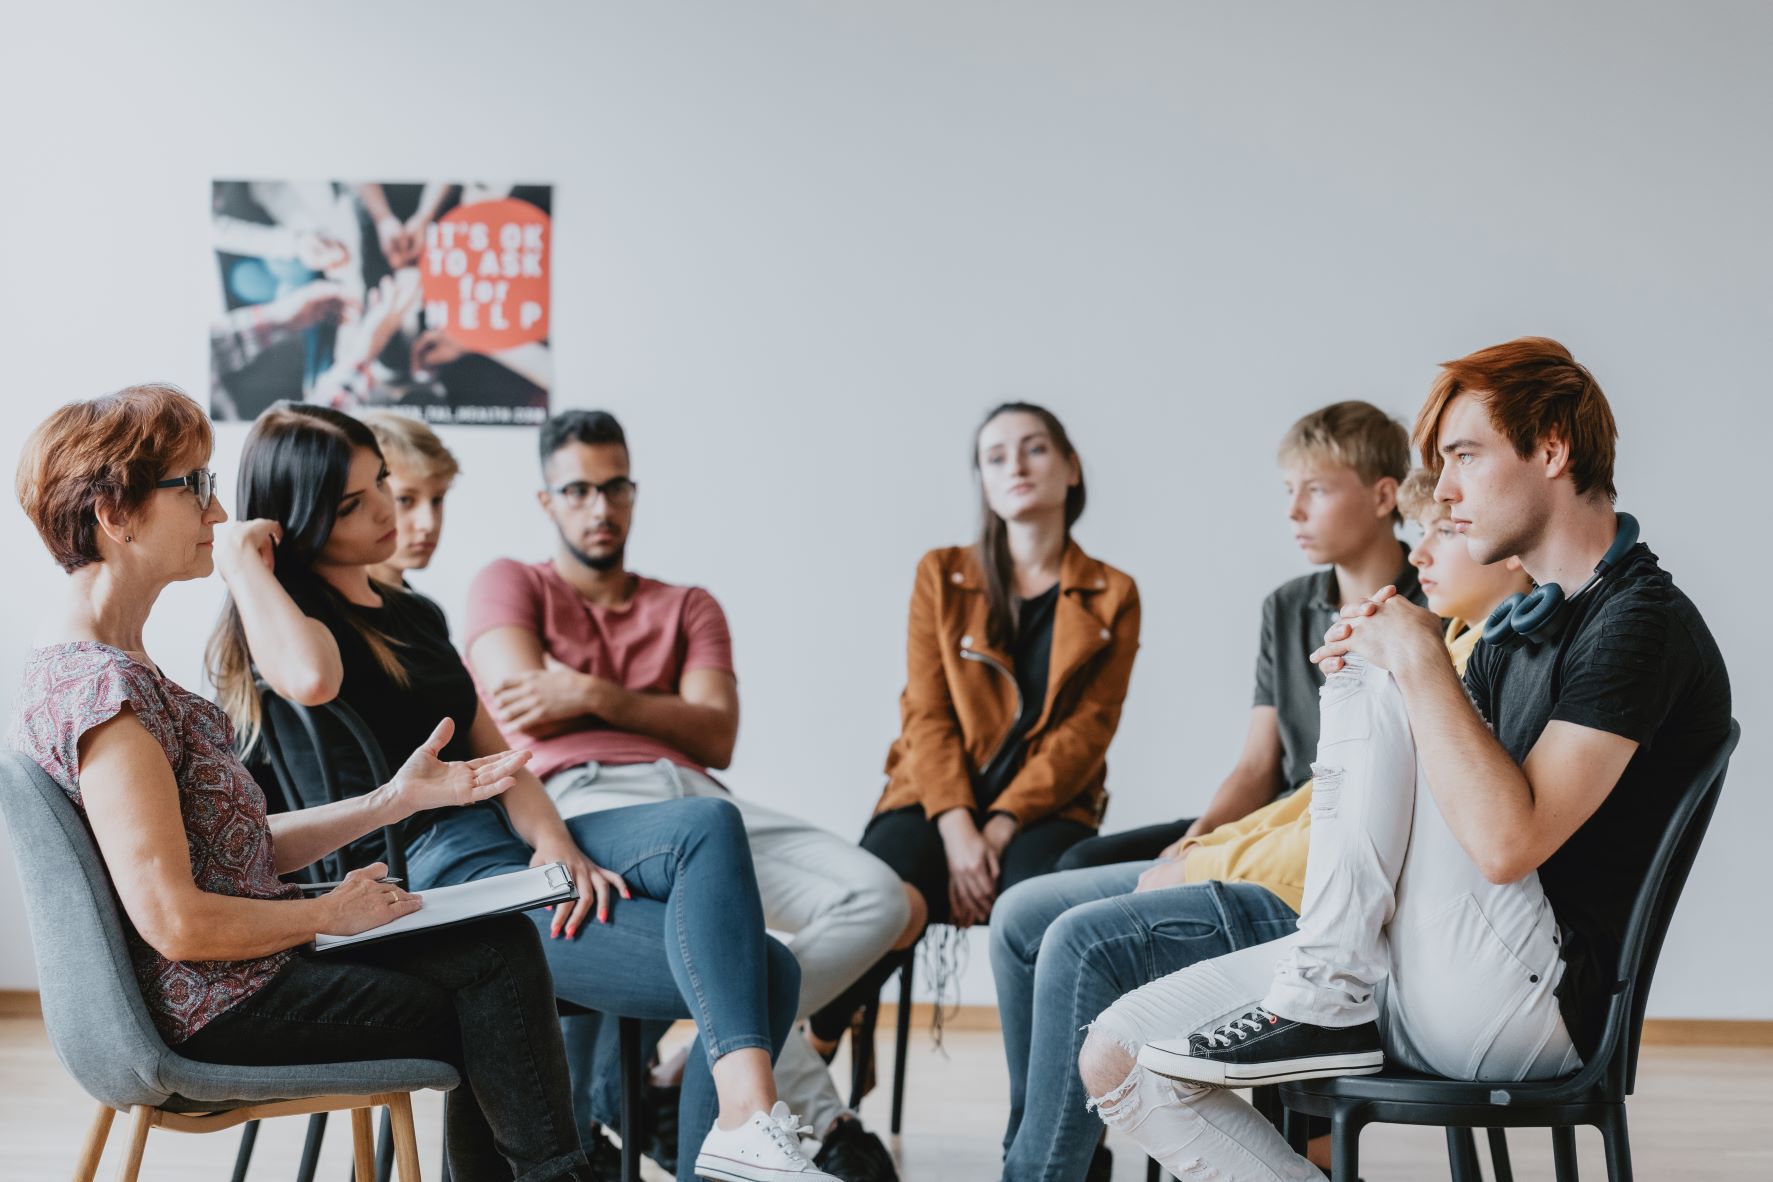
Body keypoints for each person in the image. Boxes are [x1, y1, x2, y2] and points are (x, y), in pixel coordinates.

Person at [1079, 338, 1732, 1181]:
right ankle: (1326, 989)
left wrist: (1412, 660)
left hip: (1537, 1004)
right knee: (1117, 1052)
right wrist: (1391, 658)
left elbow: (1505, 845)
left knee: (1395, 661)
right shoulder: (1520, 627)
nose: (1447, 494)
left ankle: (1324, 994)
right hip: (1422, 969)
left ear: (1552, 448)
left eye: (1464, 455)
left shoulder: (1636, 621)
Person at [205, 402, 838, 1182]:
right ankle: (739, 1143)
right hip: (428, 895)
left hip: (502, 854)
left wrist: (555, 844)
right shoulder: (291, 629)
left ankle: (743, 1127)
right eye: (354, 504)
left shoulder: (414, 614)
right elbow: (312, 678)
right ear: (298, 521)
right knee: (767, 974)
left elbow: (502, 759)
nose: (386, 511)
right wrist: (239, 560)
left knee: (706, 822)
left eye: (381, 486)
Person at [9, 384, 597, 1180]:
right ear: (116, 513)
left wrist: (394, 799)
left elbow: (230, 854)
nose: (219, 517)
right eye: (197, 487)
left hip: (228, 983)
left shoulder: (101, 670)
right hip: (218, 1006)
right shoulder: (106, 694)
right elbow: (175, 921)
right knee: (491, 981)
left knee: (493, 954)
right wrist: (330, 912)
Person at [987, 467, 1528, 1181]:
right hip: (1283, 862)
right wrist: (1205, 842)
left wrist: (1205, 863)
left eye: (1440, 530)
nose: (1419, 551)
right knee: (1023, 913)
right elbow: (1299, 790)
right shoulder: (1421, 636)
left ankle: (1040, 1170)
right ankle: (1050, 1150)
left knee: (1075, 939)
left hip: (1310, 902)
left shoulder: (1442, 656)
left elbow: (1369, 837)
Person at [465, 410, 908, 1182]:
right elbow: (515, 702)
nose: (599, 508)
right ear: (547, 502)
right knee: (743, 958)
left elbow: (715, 735)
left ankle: (692, 1063)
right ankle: (761, 1095)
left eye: (614, 488)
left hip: (702, 797)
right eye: (577, 490)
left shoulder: (687, 605)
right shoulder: (511, 581)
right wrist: (651, 705)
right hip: (585, 799)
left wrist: (587, 690)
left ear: (633, 492)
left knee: (881, 898)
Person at [806, 402, 1141, 1062]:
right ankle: (811, 1046)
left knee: (1041, 915)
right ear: (983, 482)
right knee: (885, 901)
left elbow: (1085, 734)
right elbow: (926, 713)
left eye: (1034, 448)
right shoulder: (942, 574)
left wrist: (1002, 822)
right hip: (931, 793)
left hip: (1049, 807)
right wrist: (959, 827)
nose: (1014, 464)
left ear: (1070, 469)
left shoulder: (1112, 593)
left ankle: (1054, 1120)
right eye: (995, 456)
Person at [1058, 400, 1421, 872]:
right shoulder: (1285, 606)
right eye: (1290, 490)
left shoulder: (1432, 603)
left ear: (1382, 497)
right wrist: (1198, 837)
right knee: (1080, 861)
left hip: (1340, 829)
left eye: (1315, 490)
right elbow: (1257, 765)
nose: (1293, 511)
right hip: (1273, 814)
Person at [360, 410, 459, 589]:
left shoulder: (422, 612)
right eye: (405, 500)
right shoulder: (313, 611)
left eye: (437, 500)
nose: (428, 524)